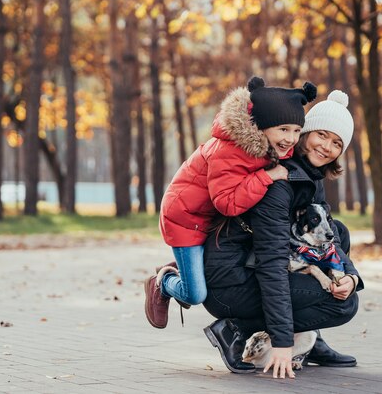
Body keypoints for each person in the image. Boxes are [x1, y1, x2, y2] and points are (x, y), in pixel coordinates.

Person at [201, 89, 363, 378]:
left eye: (337, 143)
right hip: (232, 283)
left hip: (254, 270)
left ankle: (312, 340)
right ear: (305, 133)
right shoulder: (280, 180)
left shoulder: (311, 175)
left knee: (337, 231)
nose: (327, 147)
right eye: (321, 135)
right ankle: (236, 329)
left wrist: (350, 276)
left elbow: (332, 238)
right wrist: (283, 343)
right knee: (343, 306)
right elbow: (272, 261)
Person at [144, 76, 318, 329]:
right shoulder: (230, 150)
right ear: (262, 126)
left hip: (209, 218)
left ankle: (189, 269)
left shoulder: (268, 146)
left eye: (296, 131)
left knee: (205, 274)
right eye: (283, 129)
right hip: (185, 220)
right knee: (195, 294)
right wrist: (266, 176)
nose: (291, 139)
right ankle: (163, 281)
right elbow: (227, 203)